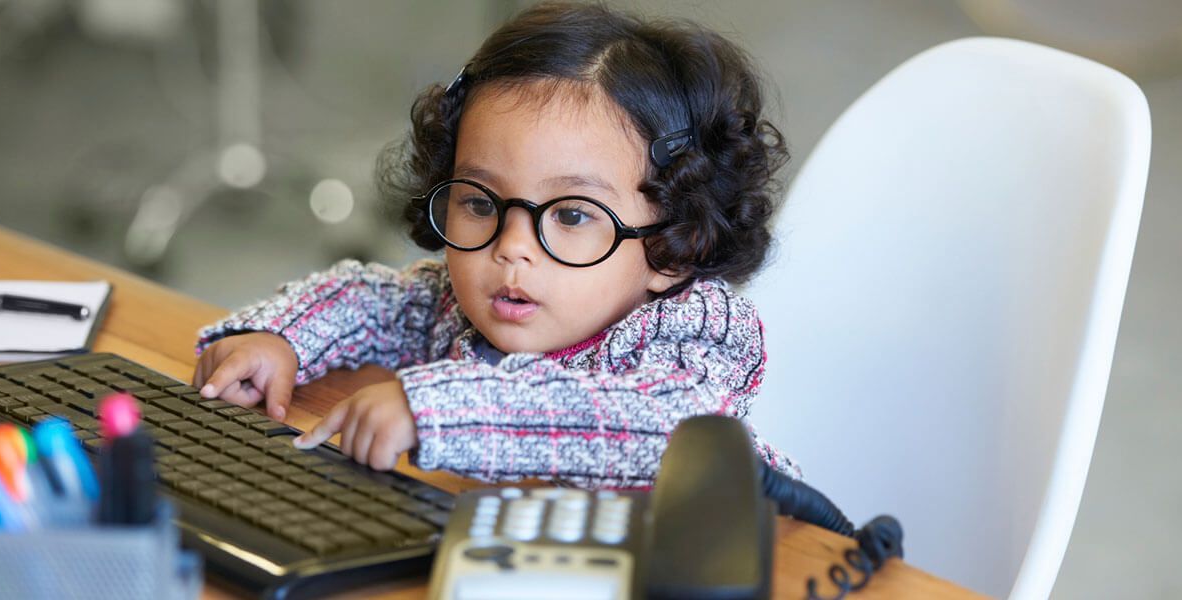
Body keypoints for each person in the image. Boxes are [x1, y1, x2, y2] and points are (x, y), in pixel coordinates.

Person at [193, 1, 798, 488]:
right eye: (481, 204)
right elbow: (372, 299)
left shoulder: (696, 333)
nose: (511, 248)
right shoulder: (472, 303)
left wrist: (439, 410)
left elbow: (660, 426)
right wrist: (282, 338)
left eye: (571, 214)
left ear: (675, 246)